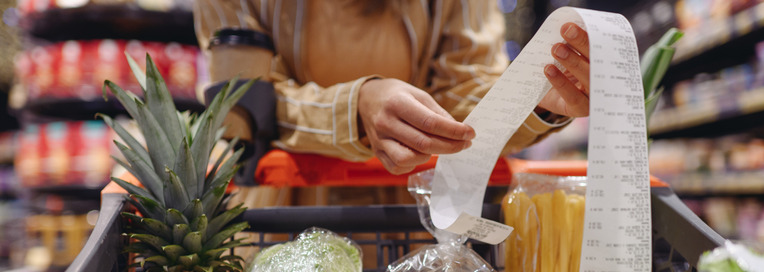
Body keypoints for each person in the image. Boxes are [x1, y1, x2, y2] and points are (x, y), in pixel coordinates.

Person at [193, 0, 590, 177]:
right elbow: (241, 106)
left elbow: (465, 90)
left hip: (414, 221)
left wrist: (537, 100)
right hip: (280, 218)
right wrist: (355, 108)